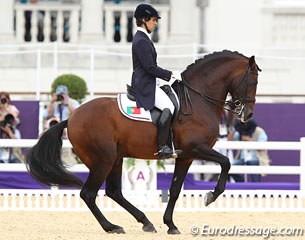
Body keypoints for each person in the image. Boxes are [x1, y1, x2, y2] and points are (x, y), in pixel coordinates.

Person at [131, 4, 182, 159]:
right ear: (143, 20)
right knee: (169, 106)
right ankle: (162, 147)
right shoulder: (141, 41)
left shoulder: (144, 39)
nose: (156, 23)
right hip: (145, 84)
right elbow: (150, 68)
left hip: (151, 81)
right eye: (153, 20)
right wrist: (170, 74)